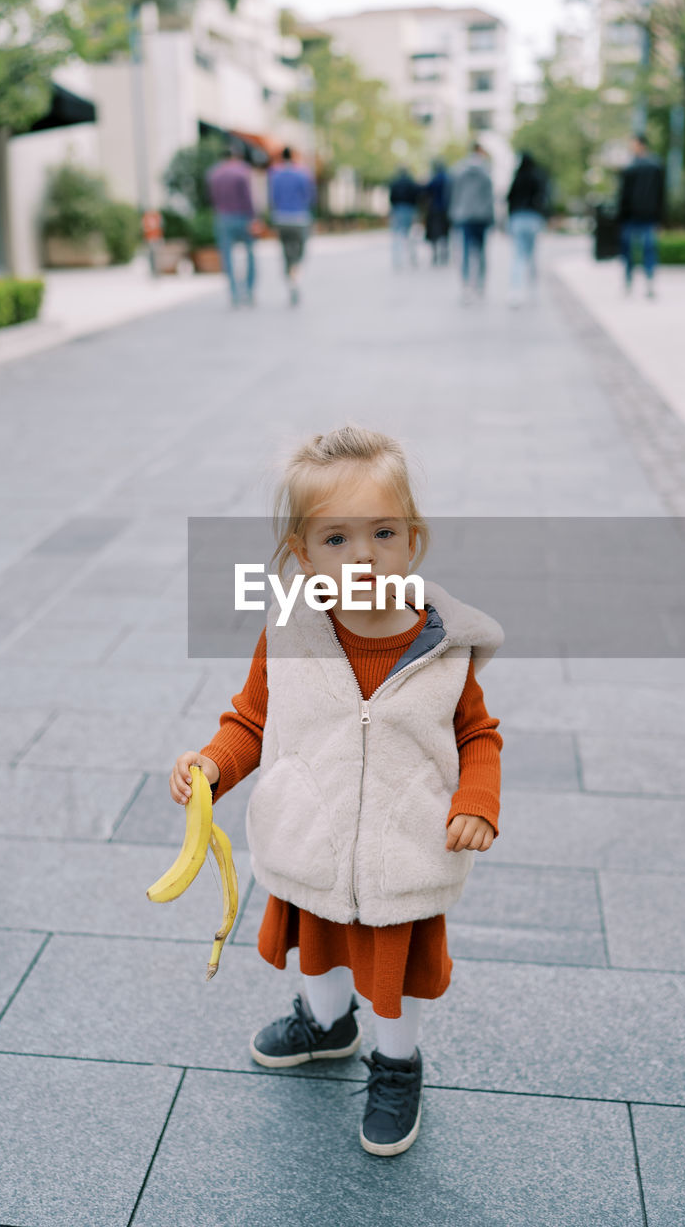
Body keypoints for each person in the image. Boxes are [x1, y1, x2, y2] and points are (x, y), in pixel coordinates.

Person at [169, 424, 504, 1158]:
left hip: (403, 850)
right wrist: (215, 766)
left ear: (411, 541)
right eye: (335, 539)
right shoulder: (289, 633)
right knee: (316, 949)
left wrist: (475, 802)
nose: (362, 556)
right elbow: (252, 718)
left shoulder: (440, 646)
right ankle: (328, 1026)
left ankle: (396, 1063)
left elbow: (477, 735)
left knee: (395, 972)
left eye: (382, 532)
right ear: (301, 554)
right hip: (312, 841)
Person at [206, 141, 258, 307]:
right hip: (243, 217)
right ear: (237, 156)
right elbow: (248, 198)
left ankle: (234, 293)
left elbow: (212, 199)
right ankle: (248, 290)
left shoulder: (214, 173)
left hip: (223, 218)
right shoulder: (243, 171)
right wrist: (254, 218)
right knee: (249, 254)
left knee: (227, 256)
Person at [616, 135, 666, 299]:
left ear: (641, 146)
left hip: (636, 216)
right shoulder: (655, 166)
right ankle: (643, 283)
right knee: (647, 250)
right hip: (644, 216)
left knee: (636, 250)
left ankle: (634, 282)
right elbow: (661, 195)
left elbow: (623, 195)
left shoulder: (632, 167)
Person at [268, 146, 317, 306]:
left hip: (281, 218)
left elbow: (272, 198)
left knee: (286, 253)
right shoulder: (303, 174)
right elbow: (310, 197)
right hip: (299, 218)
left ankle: (291, 280)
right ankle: (295, 276)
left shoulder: (274, 174)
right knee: (299, 254)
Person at [448, 142, 495, 302]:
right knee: (481, 252)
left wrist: (455, 212)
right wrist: (491, 216)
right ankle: (480, 284)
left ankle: (466, 285)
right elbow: (490, 196)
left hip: (465, 215)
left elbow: (455, 193)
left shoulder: (460, 169)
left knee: (466, 251)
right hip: (481, 216)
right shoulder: (486, 169)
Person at [506, 151, 550, 307]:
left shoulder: (518, 177)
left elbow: (509, 198)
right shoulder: (538, 176)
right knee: (531, 256)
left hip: (518, 219)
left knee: (518, 256)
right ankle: (533, 291)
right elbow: (544, 198)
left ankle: (516, 292)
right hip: (533, 219)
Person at [388, 168, 420, 270]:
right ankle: (412, 257)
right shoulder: (411, 182)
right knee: (409, 234)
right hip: (409, 209)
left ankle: (397, 260)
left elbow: (391, 197)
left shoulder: (395, 182)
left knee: (397, 234)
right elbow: (416, 196)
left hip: (397, 209)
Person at [422, 159, 451, 266]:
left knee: (434, 233)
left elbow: (426, 190)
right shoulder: (448, 179)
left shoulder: (434, 179)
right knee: (444, 232)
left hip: (434, 210)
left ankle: (435, 254)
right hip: (445, 210)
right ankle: (444, 252)